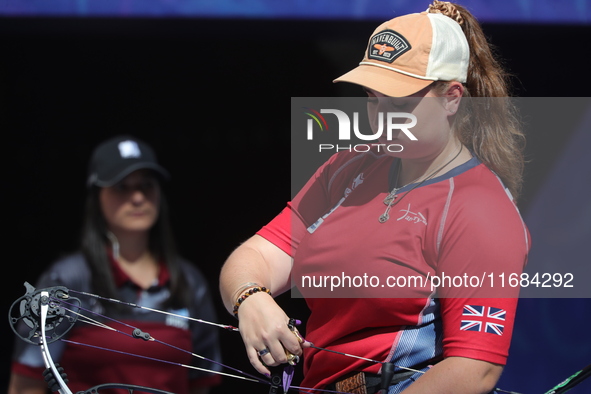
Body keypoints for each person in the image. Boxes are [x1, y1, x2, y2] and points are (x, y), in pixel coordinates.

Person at [219, 1, 530, 393]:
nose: (382, 115)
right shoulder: (349, 167)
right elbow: (256, 257)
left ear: (453, 97)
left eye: (400, 103)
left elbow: (473, 369)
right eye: (373, 97)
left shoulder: (481, 207)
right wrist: (251, 298)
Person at [9, 135, 222, 394]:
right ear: (97, 195)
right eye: (122, 186)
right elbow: (27, 383)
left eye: (147, 185)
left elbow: (201, 383)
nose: (137, 197)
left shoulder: (189, 281)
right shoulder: (65, 279)